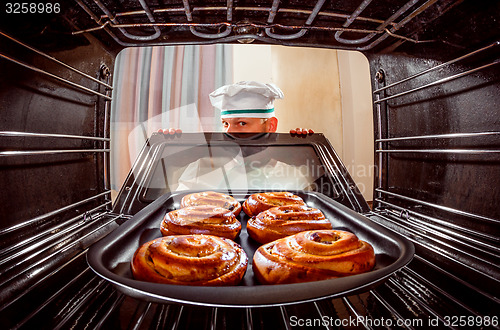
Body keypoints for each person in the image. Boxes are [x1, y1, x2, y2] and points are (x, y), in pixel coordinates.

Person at [159, 81, 314, 135]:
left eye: (242, 123)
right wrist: (169, 148)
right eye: (225, 123)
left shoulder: (291, 170)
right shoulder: (205, 166)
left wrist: (306, 148)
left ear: (270, 125)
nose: (229, 131)